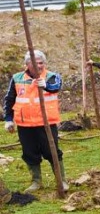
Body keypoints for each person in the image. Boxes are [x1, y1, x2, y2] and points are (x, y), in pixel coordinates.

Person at [3, 50, 68, 193]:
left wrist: (45, 85)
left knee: (52, 152)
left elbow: (55, 87)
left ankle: (61, 180)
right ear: (27, 64)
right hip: (24, 124)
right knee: (29, 153)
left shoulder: (51, 76)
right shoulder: (17, 78)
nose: (39, 66)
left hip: (46, 123)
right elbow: (9, 99)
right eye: (35, 63)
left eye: (41, 63)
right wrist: (8, 119)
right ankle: (36, 181)